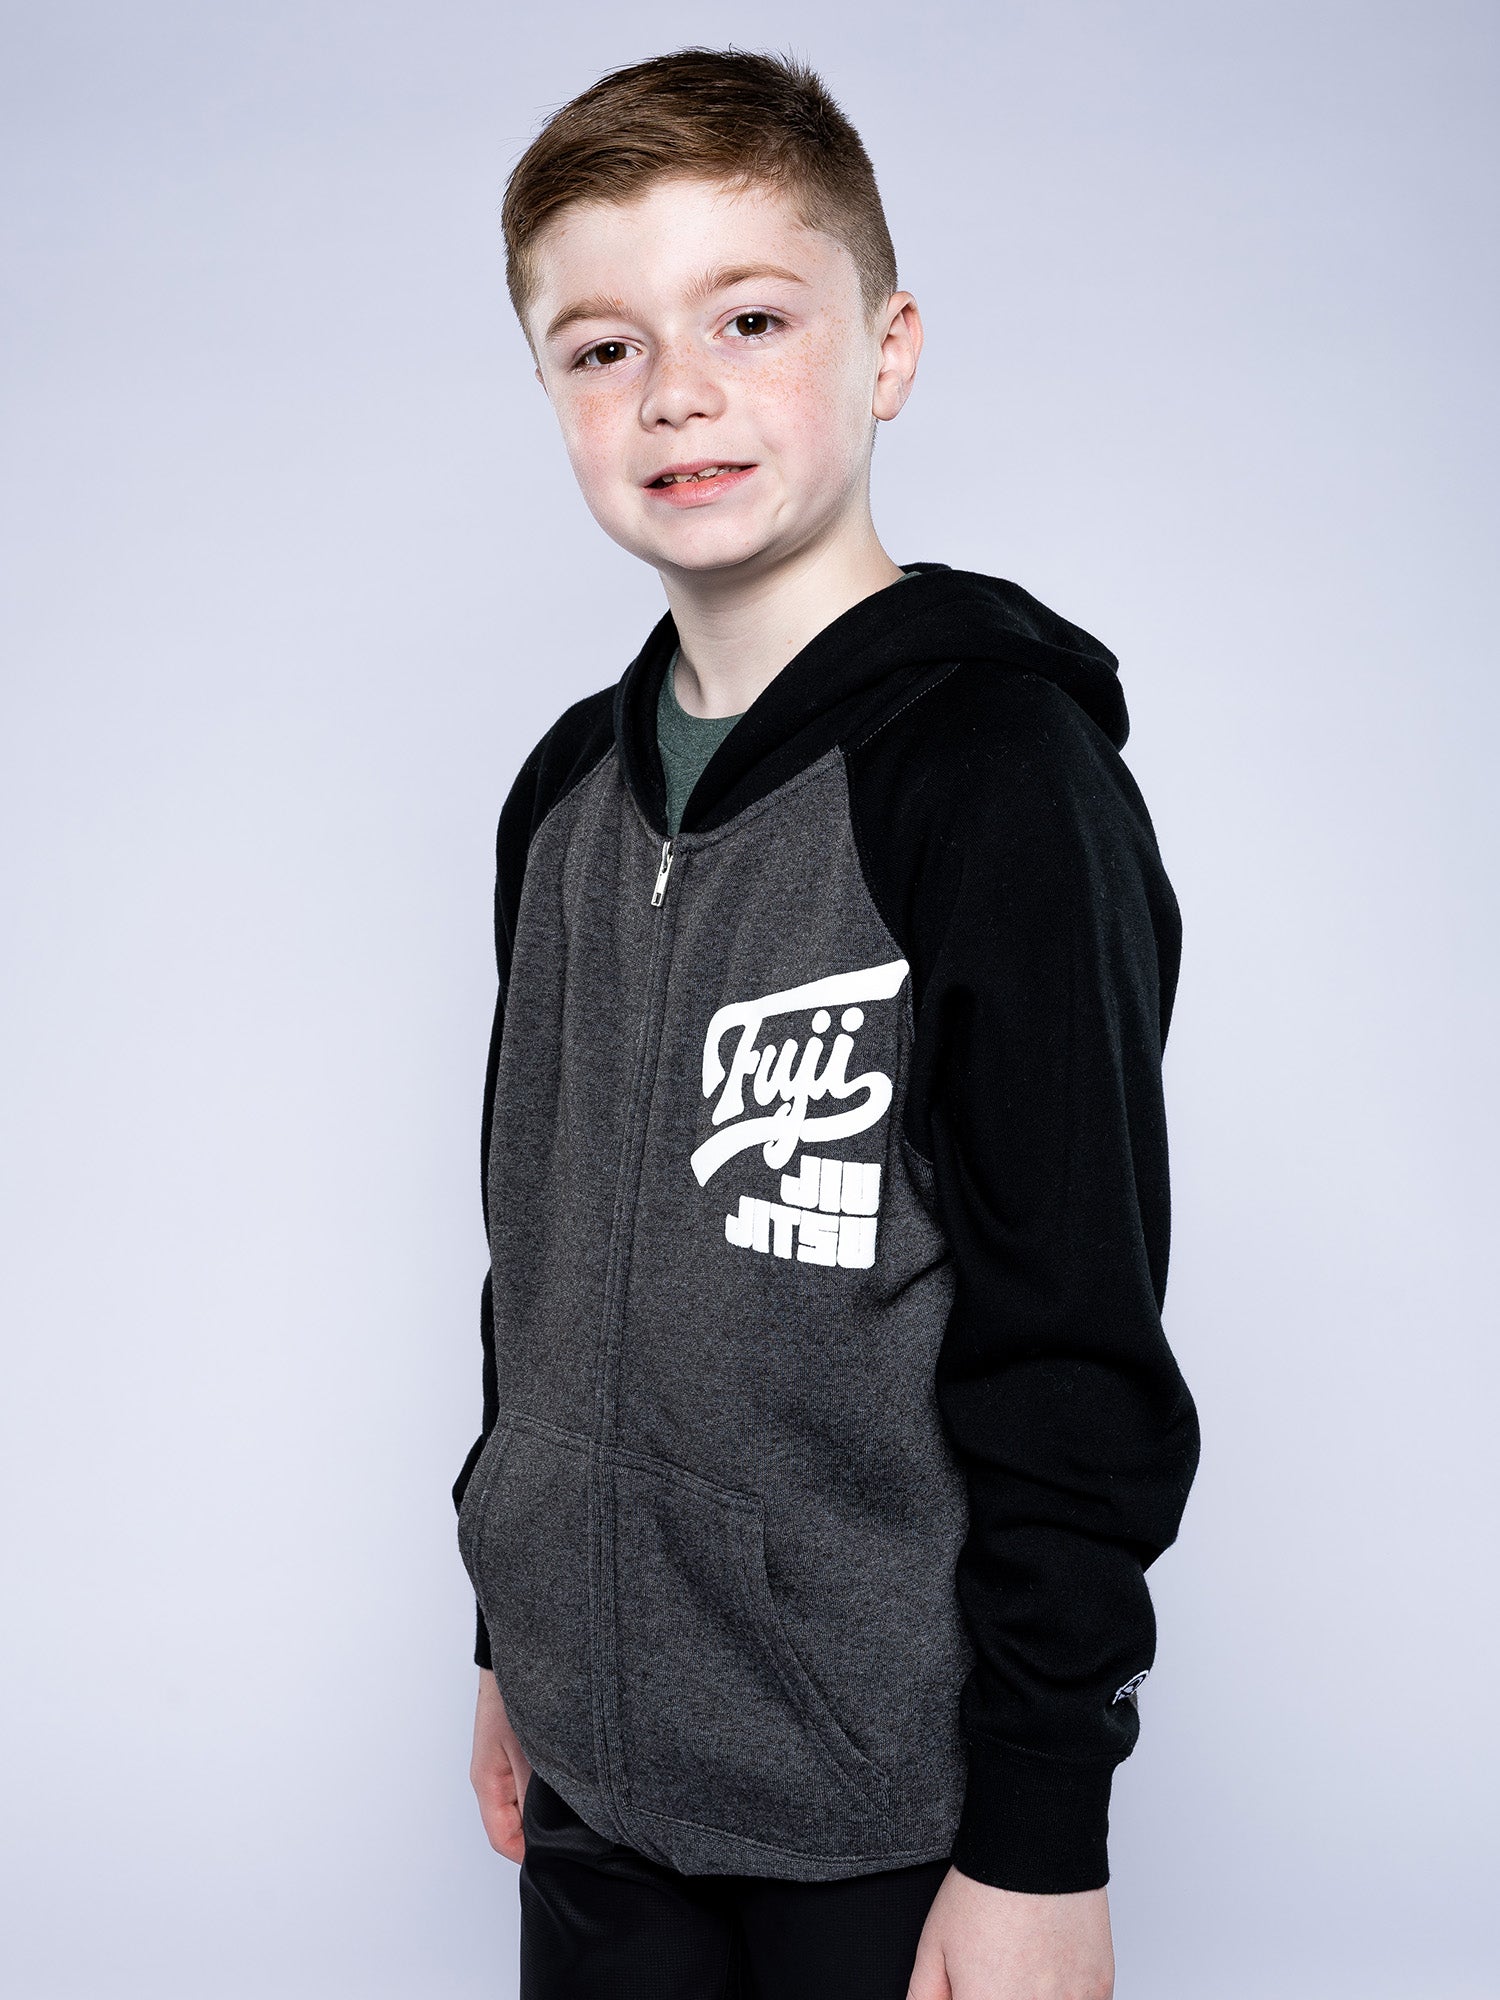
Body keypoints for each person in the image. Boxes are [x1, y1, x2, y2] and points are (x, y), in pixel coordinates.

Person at [452, 47, 1199, 2000]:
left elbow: (1076, 1333)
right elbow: (532, 1259)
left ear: (888, 348)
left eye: (751, 317)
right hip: (600, 1774)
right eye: (599, 347)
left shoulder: (995, 785)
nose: (674, 389)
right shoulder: (563, 804)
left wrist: (1042, 1836)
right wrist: (510, 1635)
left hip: (884, 1797)